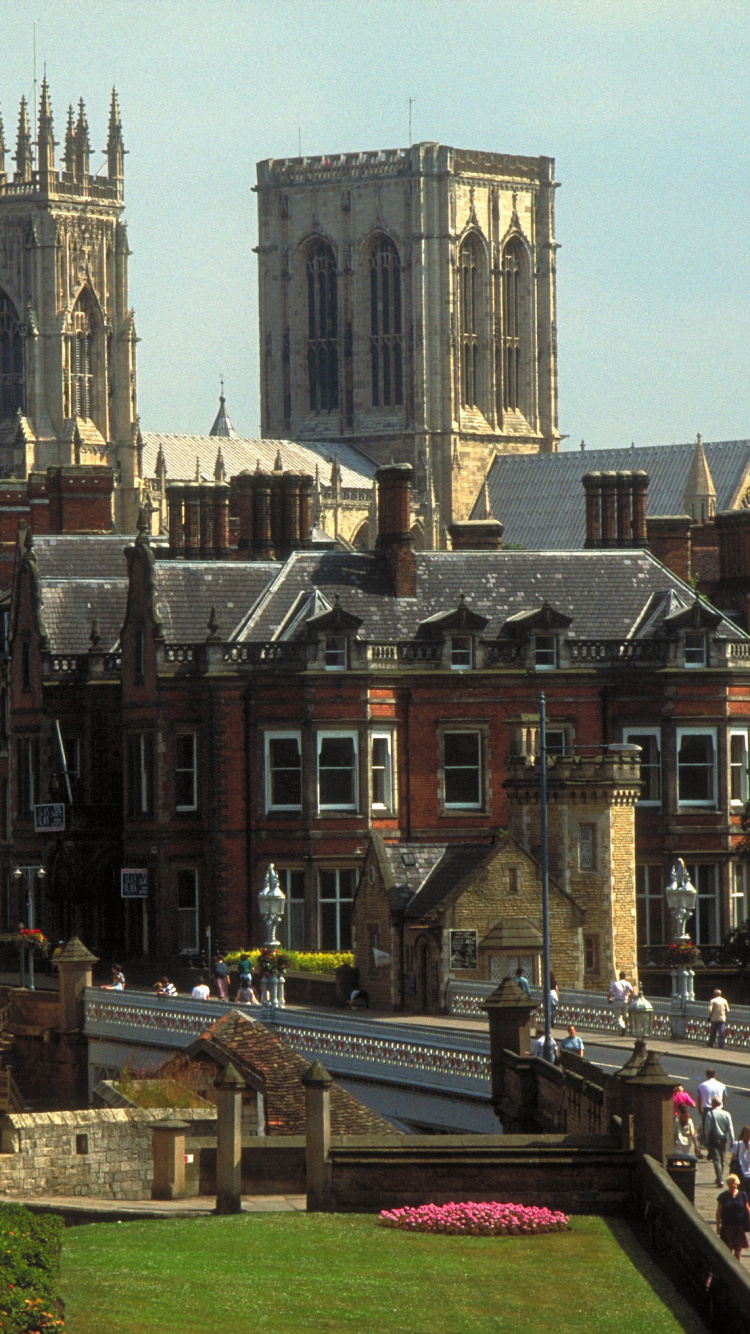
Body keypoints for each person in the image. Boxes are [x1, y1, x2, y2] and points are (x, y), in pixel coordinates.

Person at [716, 1174, 750, 1261]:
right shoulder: (723, 1196)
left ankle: (737, 1267)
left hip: (739, 1226)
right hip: (727, 1226)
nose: (733, 1185)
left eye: (735, 1183)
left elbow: (747, 1209)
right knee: (727, 1249)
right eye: (731, 1183)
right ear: (728, 1184)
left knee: (738, 1249)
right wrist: (718, 1226)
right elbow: (719, 1211)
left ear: (737, 1183)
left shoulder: (742, 1195)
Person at [705, 1096, 735, 1188]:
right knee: (722, 1158)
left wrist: (706, 1140)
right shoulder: (727, 1114)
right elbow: (730, 1128)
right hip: (724, 1139)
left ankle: (720, 1179)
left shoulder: (710, 1114)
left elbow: (707, 1129)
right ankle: (720, 1176)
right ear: (720, 1104)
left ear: (713, 1104)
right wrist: (732, 1140)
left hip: (714, 1139)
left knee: (716, 1159)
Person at [697, 1067, 728, 1141]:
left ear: (706, 1075)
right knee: (719, 1128)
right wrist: (722, 1107)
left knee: (706, 1130)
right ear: (715, 1075)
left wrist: (700, 1110)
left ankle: (708, 1145)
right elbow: (724, 1098)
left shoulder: (701, 1086)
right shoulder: (722, 1086)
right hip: (719, 1109)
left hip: (707, 1110)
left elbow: (699, 1099)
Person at [729, 1125, 750, 1192]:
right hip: (749, 1174)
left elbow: (733, 1158)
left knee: (740, 1192)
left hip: (739, 1173)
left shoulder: (736, 1144)